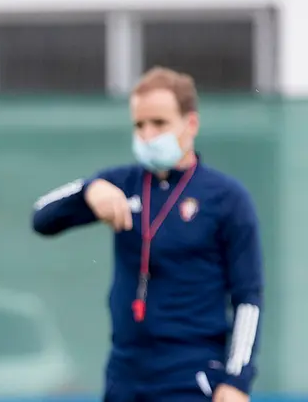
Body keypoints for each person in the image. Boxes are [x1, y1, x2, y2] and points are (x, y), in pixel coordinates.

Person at [31, 67, 263, 402]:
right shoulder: (121, 184)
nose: (147, 135)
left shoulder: (227, 198)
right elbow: (41, 217)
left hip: (191, 376)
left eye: (159, 123)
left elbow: (248, 297)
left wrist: (238, 379)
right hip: (125, 375)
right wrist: (90, 190)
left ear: (190, 124)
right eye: (139, 125)